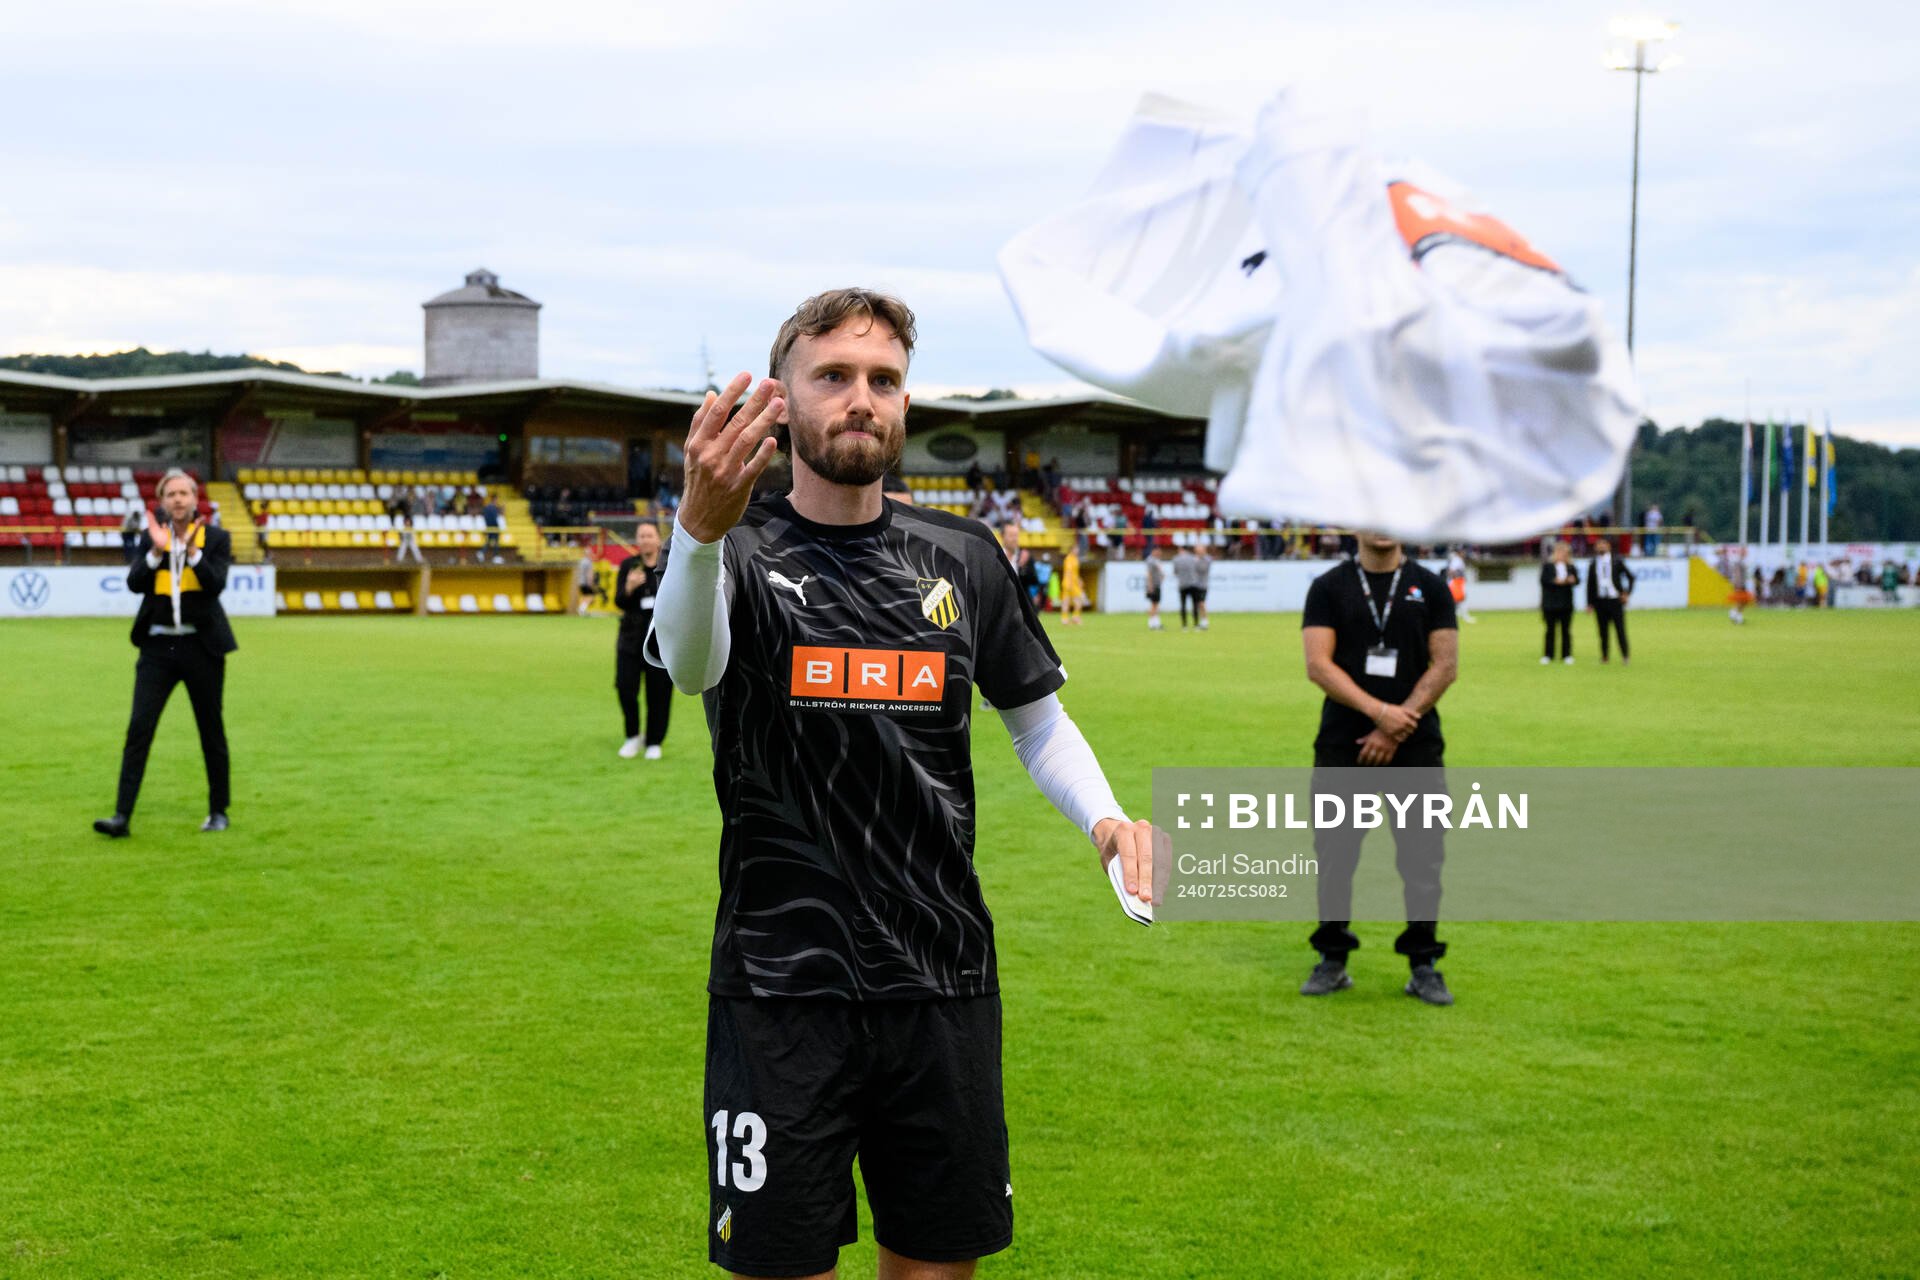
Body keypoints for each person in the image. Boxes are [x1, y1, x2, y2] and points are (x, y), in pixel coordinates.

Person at [648, 288, 1154, 1280]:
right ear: (782, 400)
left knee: (935, 1267)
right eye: (833, 375)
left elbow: (1037, 721)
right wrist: (699, 534)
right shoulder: (736, 550)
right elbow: (692, 666)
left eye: (884, 379)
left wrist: (1107, 821)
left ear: (906, 404)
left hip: (941, 979)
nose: (861, 398)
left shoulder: (963, 555)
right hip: (781, 985)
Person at [1299, 531, 1459, 1005]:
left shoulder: (1431, 586)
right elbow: (1318, 665)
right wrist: (1380, 713)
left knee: (1422, 858)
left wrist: (1394, 726)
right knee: (1335, 856)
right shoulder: (1328, 587)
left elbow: (1445, 665)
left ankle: (1423, 964)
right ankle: (1332, 958)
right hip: (1343, 745)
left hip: (1415, 746)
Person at [93, 469, 237, 838]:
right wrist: (157, 551)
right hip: (158, 648)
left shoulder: (216, 538)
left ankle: (218, 811)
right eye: (170, 494)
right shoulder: (150, 538)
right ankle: (121, 816)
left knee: (210, 729)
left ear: (194, 499)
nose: (177, 499)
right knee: (139, 728)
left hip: (202, 647)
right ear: (162, 502)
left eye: (184, 493)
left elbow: (216, 585)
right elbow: (134, 583)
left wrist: (192, 551)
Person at [613, 522, 672, 759]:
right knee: (625, 688)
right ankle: (632, 736)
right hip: (630, 639)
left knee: (659, 693)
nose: (645, 539)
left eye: (649, 535)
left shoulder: (668, 566)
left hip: (660, 641)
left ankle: (654, 741)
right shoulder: (629, 566)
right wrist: (628, 587)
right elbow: (619, 601)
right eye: (641, 536)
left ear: (658, 539)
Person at [1587, 537, 1634, 664]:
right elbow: (1590, 585)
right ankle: (1604, 657)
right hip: (1600, 601)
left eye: (1604, 544)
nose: (1601, 546)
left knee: (1620, 629)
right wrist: (1589, 603)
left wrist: (1627, 593)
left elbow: (1630, 577)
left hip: (1615, 600)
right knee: (1602, 631)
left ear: (1609, 546)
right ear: (1595, 547)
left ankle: (1625, 656)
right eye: (1599, 544)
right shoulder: (1593, 563)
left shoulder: (1617, 561)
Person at [1539, 541, 1579, 665]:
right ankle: (1548, 655)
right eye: (1560, 552)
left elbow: (1577, 581)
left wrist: (1572, 580)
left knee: (1566, 630)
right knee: (1550, 630)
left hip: (1566, 604)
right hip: (1550, 604)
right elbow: (1543, 581)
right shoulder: (1548, 566)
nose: (1562, 555)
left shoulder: (1571, 567)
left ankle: (1566, 655)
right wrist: (1554, 581)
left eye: (1565, 553)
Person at [1171, 544, 1200, 629]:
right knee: (1195, 605)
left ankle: (1184, 625)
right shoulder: (1194, 558)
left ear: (1181, 549)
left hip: (1182, 584)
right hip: (1193, 584)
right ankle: (1196, 624)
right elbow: (1197, 570)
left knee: (1183, 605)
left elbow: (1175, 572)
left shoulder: (1176, 559)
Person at [1444, 546, 1475, 623]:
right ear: (1459, 552)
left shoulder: (1457, 560)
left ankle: (1458, 614)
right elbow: (1451, 571)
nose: (1464, 553)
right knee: (1461, 598)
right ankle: (1463, 616)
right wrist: (1455, 578)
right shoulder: (1457, 560)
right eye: (1463, 552)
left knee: (1458, 599)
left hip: (1456, 581)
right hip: (1456, 582)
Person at [1060, 544, 1085, 625]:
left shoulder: (1075, 559)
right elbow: (1068, 572)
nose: (1077, 551)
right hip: (1068, 583)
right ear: (1072, 549)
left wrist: (1079, 580)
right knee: (1066, 601)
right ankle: (1064, 619)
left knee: (1079, 599)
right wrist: (1069, 583)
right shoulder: (1068, 559)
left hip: (1074, 583)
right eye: (1076, 549)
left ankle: (1075, 617)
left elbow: (1075, 573)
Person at [1144, 542, 1167, 630]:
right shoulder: (1150, 560)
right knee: (1154, 604)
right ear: (1154, 550)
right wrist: (1150, 585)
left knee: (1156, 604)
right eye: (1158, 550)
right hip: (1153, 585)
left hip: (1157, 584)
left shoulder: (1156, 560)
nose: (1159, 552)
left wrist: (1162, 577)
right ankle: (1151, 623)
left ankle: (1156, 623)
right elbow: (1149, 573)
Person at [1192, 545, 1211, 630]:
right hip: (1195, 584)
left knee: (1201, 603)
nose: (1198, 552)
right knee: (1197, 605)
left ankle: (1205, 621)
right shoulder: (1194, 559)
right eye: (1197, 550)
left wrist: (1196, 562)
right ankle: (1201, 622)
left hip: (1203, 585)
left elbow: (1202, 569)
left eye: (1200, 550)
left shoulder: (1207, 559)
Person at [481, 493, 504, 563]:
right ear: (494, 499)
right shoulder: (492, 508)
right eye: (497, 499)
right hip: (494, 528)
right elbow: (495, 518)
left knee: (489, 541)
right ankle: (495, 556)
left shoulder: (487, 507)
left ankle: (482, 552)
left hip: (489, 527)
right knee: (496, 542)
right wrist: (497, 526)